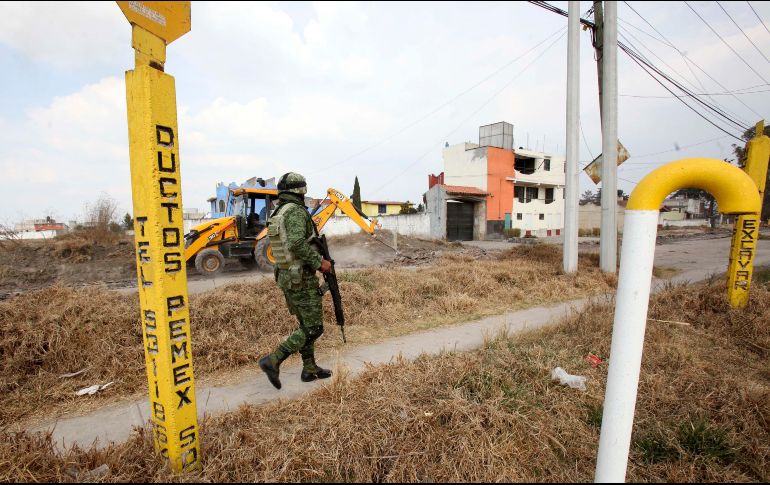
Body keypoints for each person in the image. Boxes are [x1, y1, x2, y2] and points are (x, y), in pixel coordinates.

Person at [259, 172, 333, 390]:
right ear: (301, 191)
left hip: (287, 276)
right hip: (300, 277)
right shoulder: (295, 212)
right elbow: (297, 243)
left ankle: (309, 368)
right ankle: (273, 360)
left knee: (305, 324)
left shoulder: (279, 211)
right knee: (314, 328)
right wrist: (320, 263)